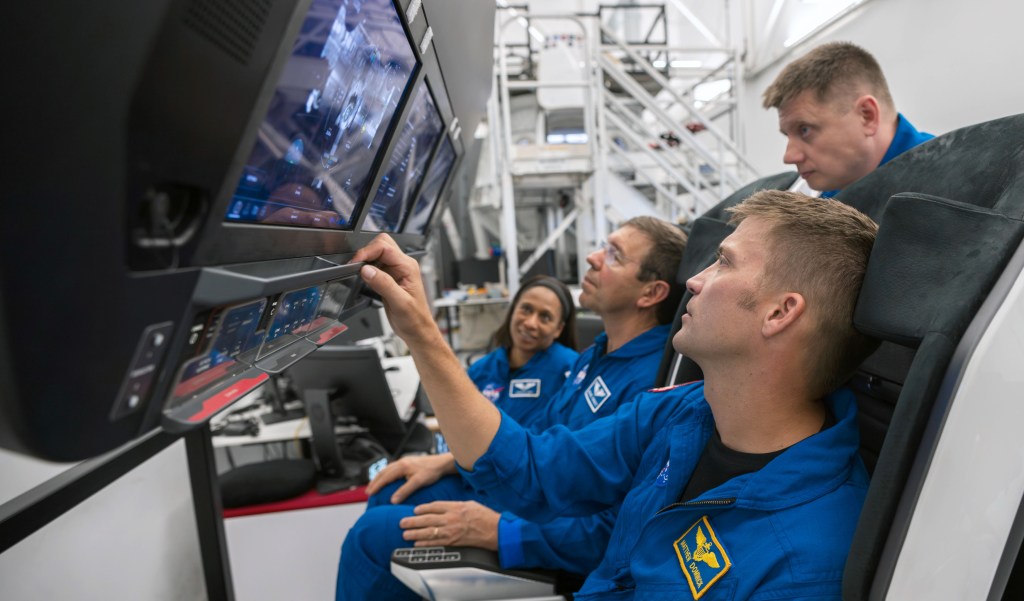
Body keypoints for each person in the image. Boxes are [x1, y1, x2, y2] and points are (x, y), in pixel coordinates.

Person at [351, 190, 879, 599]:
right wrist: (420, 331)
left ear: (780, 313)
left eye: (724, 262)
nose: (693, 281)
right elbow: (534, 469)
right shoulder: (680, 412)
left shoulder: (806, 561)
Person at [337, 217, 688, 600]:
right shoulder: (595, 354)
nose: (592, 257)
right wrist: (447, 461)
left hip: (550, 533)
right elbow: (539, 434)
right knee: (392, 491)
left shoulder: (652, 385)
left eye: (614, 255)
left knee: (370, 537)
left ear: (651, 293)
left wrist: (499, 531)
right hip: (534, 499)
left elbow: (618, 527)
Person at [763, 41, 934, 197]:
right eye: (787, 135)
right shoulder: (834, 190)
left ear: (867, 116)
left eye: (804, 130)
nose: (789, 156)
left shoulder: (948, 183)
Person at [465, 275, 579, 425]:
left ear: (559, 329)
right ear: (512, 310)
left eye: (545, 317)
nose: (530, 323)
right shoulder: (480, 370)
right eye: (526, 309)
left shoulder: (572, 370)